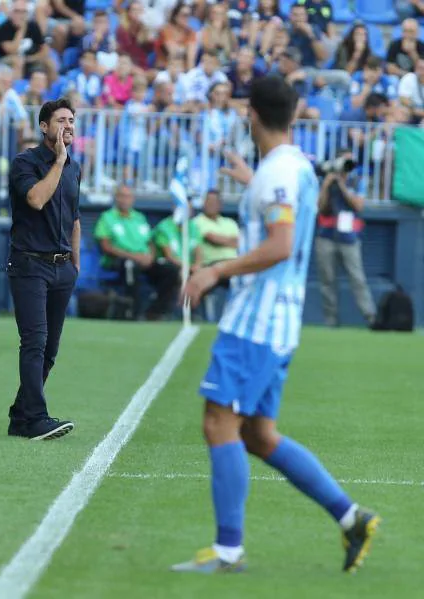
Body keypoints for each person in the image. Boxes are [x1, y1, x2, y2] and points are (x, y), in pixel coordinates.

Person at [175, 75, 380, 574]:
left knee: (219, 423)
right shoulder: (291, 166)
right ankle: (352, 517)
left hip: (256, 321)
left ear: (250, 115)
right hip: (281, 322)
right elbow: (286, 208)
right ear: (293, 113)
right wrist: (253, 182)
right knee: (260, 435)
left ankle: (227, 551)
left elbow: (281, 244)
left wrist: (214, 270)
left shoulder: (277, 174)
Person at [6, 98, 80, 441]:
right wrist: (60, 162)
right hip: (30, 265)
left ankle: (21, 415)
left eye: (72, 120)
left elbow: (75, 218)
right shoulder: (25, 163)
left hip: (61, 268)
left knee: (50, 349)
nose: (68, 125)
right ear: (44, 127)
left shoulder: (74, 169)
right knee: (34, 342)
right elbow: (36, 199)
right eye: (61, 120)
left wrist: (75, 264)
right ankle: (36, 417)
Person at [315, 152, 376, 328]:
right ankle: (331, 321)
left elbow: (358, 205)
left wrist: (342, 185)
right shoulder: (326, 180)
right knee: (327, 280)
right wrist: (326, 185)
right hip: (326, 236)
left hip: (349, 238)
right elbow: (319, 207)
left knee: (358, 278)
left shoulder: (357, 181)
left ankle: (370, 317)